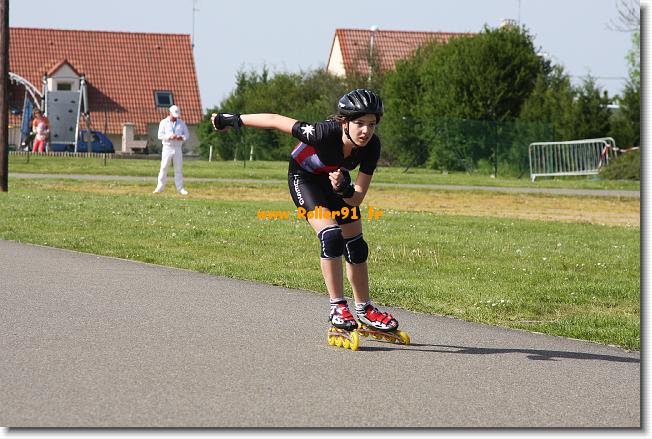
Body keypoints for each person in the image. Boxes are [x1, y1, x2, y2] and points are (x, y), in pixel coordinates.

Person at [211, 89, 399, 333]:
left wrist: (344, 190)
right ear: (344, 122)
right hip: (304, 178)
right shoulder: (322, 132)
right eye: (360, 123)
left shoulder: (372, 146)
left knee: (356, 245)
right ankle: (338, 307)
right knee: (331, 236)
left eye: (372, 124)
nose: (366, 131)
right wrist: (231, 119)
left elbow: (357, 198)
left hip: (335, 180)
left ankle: (364, 309)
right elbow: (275, 120)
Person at [154, 105, 190, 195]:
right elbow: (160, 135)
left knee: (178, 168)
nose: (175, 117)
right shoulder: (163, 122)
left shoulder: (181, 123)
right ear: (170, 113)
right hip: (167, 147)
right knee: (164, 167)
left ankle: (180, 188)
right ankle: (160, 187)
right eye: (174, 115)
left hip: (178, 148)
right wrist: (169, 137)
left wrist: (181, 137)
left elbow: (186, 135)